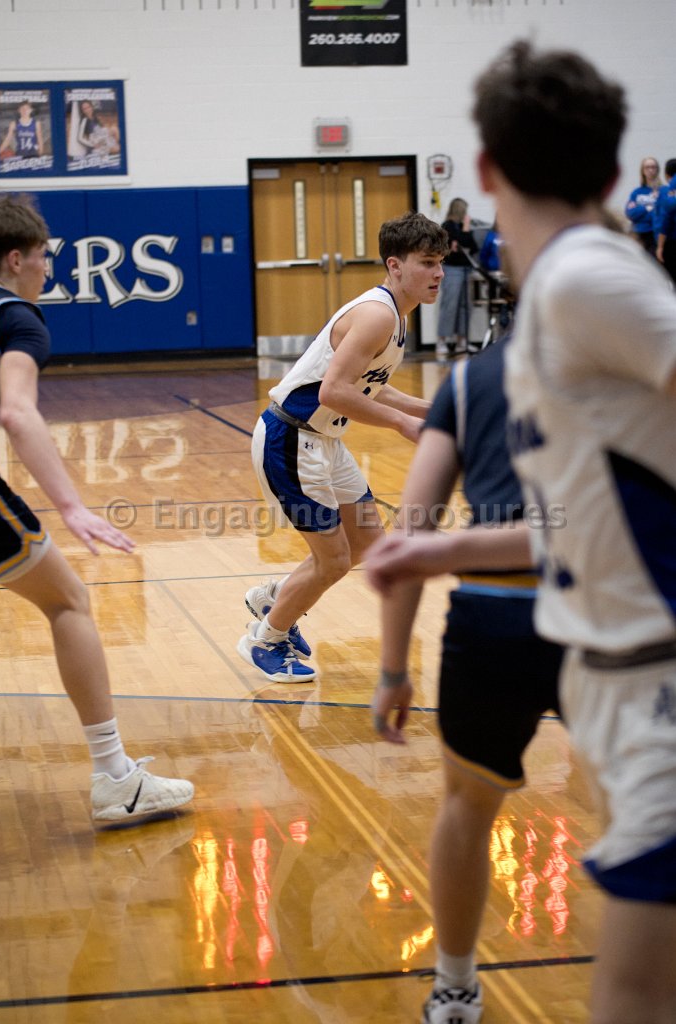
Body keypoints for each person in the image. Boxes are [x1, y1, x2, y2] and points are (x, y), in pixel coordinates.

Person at [472, 40, 676, 1024]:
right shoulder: (564, 287)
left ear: (484, 170)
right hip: (605, 672)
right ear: (610, 171)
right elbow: (592, 510)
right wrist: (442, 549)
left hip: (657, 680)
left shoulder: (584, 279)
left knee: (633, 992)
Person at [364, 330, 564, 1024]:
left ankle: (453, 987)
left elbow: (411, 529)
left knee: (467, 806)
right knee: (642, 814)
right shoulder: (637, 355)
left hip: (492, 617)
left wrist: (393, 669)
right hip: (602, 614)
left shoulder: (470, 382)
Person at [0, 193, 193, 823]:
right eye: (44, 257)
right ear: (16, 259)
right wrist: (72, 506)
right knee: (69, 600)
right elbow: (16, 412)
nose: (48, 270)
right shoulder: (16, 317)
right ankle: (114, 777)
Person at [237, 211, 447, 683]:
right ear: (395, 265)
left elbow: (368, 385)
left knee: (368, 545)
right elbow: (334, 392)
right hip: (291, 440)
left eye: (440, 263)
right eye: (427, 263)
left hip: (323, 442)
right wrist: (402, 424)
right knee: (333, 561)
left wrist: (429, 409)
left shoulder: (396, 315)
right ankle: (266, 639)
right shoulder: (378, 315)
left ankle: (276, 597)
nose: (438, 273)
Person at [436, 198, 478, 359]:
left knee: (465, 306)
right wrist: (465, 232)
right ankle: (442, 341)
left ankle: (462, 341)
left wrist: (462, 239)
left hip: (467, 269)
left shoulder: (461, 227)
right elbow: (457, 244)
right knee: (450, 304)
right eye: (464, 211)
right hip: (452, 269)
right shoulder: (447, 226)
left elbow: (472, 246)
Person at [624, 157, 662, 254]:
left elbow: (662, 215)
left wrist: (641, 214)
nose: (650, 170)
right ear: (643, 171)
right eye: (647, 167)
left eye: (653, 167)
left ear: (657, 170)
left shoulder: (664, 191)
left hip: (657, 237)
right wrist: (647, 208)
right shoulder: (636, 193)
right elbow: (630, 213)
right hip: (639, 236)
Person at [654, 157, 676, 282]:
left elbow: (666, 217)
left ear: (666, 174)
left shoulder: (667, 189)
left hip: (671, 240)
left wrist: (660, 245)